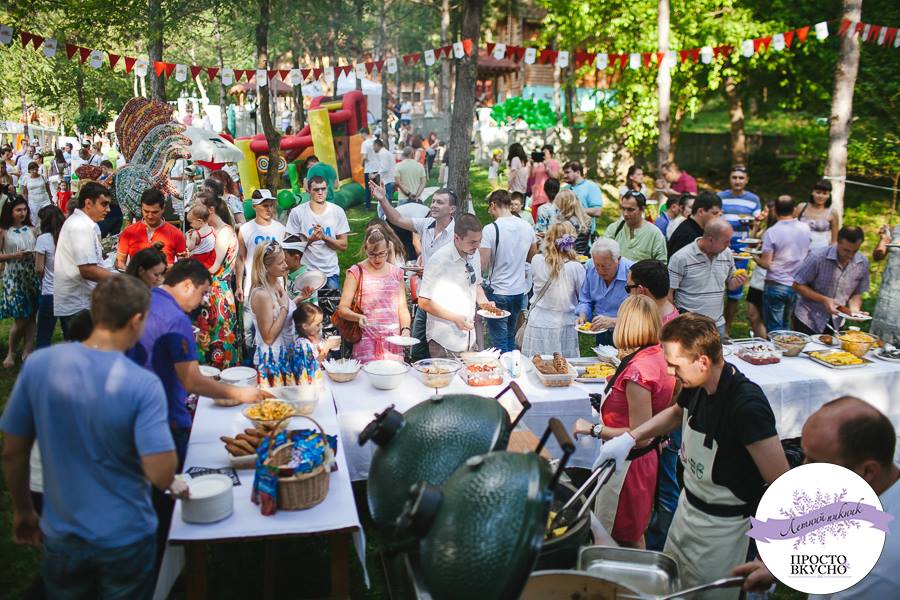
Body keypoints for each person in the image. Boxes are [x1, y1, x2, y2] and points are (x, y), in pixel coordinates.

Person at [0, 276, 185, 600]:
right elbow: (161, 473)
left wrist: (24, 510)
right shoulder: (141, 383)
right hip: (126, 535)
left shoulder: (39, 365)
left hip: (62, 532)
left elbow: (13, 452)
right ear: (136, 320)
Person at [596, 313, 789, 595]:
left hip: (721, 531)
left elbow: (783, 485)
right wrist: (630, 437)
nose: (670, 373)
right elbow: (676, 412)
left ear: (702, 362)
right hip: (686, 512)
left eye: (675, 366)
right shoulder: (695, 385)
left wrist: (771, 559)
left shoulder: (746, 407)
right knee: (672, 588)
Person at [732, 396, 900, 599]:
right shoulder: (868, 486)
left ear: (867, 471)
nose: (802, 470)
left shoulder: (878, 561)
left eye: (815, 463)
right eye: (805, 455)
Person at [127, 259, 269, 465]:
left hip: (137, 412)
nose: (203, 301)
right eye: (202, 293)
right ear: (186, 285)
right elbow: (192, 381)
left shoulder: (146, 299)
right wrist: (240, 393)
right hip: (166, 417)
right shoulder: (177, 319)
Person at [574, 295, 676, 548]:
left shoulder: (638, 371)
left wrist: (593, 428)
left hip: (629, 466)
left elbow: (638, 434)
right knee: (632, 531)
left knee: (621, 537)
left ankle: (628, 584)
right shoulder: (659, 355)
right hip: (643, 459)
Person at [373, 181, 458, 360]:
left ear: (452, 209)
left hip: (446, 301)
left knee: (441, 350)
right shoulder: (426, 224)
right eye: (433, 201)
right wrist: (383, 200)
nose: (433, 205)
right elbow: (397, 219)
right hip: (425, 298)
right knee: (417, 348)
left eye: (440, 202)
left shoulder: (456, 234)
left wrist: (429, 270)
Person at [418, 213, 497, 358]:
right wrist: (454, 318)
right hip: (444, 339)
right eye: (472, 242)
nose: (477, 246)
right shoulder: (439, 260)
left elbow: (475, 283)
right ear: (456, 238)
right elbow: (423, 301)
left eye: (479, 241)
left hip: (468, 338)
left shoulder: (475, 254)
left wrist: (485, 304)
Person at [336, 228, 411, 363]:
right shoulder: (356, 271)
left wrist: (405, 329)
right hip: (366, 340)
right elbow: (342, 309)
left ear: (388, 248)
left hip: (393, 341)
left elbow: (402, 308)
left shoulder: (396, 273)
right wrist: (358, 317)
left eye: (381, 254)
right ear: (366, 250)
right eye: (372, 254)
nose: (377, 259)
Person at [479, 190, 538, 352]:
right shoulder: (527, 226)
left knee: (498, 340)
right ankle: (512, 368)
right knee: (510, 336)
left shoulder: (490, 229)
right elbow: (532, 256)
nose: (490, 213)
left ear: (493, 205)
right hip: (519, 290)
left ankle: (505, 372)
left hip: (498, 290)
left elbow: (482, 264)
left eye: (489, 209)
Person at [53, 182, 113, 338]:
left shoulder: (85, 224)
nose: (108, 209)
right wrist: (125, 281)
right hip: (77, 305)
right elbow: (88, 270)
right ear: (88, 203)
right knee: (83, 358)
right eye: (104, 204)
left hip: (82, 302)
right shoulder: (80, 226)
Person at [668, 218, 746, 338]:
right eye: (726, 242)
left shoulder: (727, 254)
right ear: (710, 240)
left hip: (717, 325)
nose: (729, 245)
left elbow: (730, 284)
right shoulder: (681, 258)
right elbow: (669, 294)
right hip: (690, 327)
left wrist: (737, 282)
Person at [520, 222, 585, 357]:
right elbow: (583, 296)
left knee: (536, 367)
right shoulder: (575, 267)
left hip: (538, 321)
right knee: (563, 368)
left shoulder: (537, 260)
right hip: (564, 323)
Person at [792, 226, 870, 335]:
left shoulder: (863, 262)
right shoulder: (817, 257)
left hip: (837, 321)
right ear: (837, 243)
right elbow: (797, 285)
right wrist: (824, 299)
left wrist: (855, 311)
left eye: (855, 251)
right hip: (808, 318)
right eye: (846, 250)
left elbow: (856, 293)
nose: (850, 255)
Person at [192, 191, 240, 369]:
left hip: (218, 291)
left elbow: (214, 267)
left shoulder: (224, 232)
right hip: (210, 289)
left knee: (220, 337)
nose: (195, 209)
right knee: (208, 337)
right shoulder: (211, 231)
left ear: (210, 210)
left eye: (198, 206)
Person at [249, 242, 311, 371]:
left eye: (284, 260)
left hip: (285, 356)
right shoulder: (262, 294)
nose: (285, 265)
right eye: (280, 263)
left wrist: (298, 299)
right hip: (271, 362)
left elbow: (279, 307)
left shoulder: (278, 281)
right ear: (266, 267)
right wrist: (285, 309)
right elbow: (268, 337)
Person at [753, 195, 810, 332]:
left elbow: (767, 264)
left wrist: (754, 257)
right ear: (794, 209)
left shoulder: (772, 232)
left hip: (776, 285)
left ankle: (777, 353)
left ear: (776, 210)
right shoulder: (805, 228)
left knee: (774, 330)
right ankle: (788, 352)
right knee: (786, 327)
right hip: (797, 285)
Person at [286, 175, 350, 290]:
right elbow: (290, 249)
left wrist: (324, 237)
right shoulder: (297, 213)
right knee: (308, 308)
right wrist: (311, 240)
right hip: (306, 272)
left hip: (330, 273)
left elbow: (344, 245)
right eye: (316, 189)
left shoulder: (337, 211)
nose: (320, 192)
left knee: (331, 307)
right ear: (309, 191)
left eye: (323, 188)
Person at [0, 196, 41, 367]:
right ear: (11, 212)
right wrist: (14, 256)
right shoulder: (3, 231)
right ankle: (11, 352)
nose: (22, 213)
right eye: (18, 210)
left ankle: (28, 349)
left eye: (24, 210)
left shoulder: (32, 229)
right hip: (14, 278)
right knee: (20, 318)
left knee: (31, 316)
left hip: (31, 276)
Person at [575, 238, 634, 347]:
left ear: (618, 259)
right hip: (601, 331)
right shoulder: (590, 267)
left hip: (627, 332)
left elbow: (643, 314)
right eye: (597, 265)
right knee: (603, 363)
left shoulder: (633, 273)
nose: (601, 270)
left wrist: (614, 322)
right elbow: (585, 299)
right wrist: (583, 315)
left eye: (606, 266)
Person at [235, 189, 286, 303]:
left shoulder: (281, 229)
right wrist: (239, 285)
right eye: (264, 205)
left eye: (271, 206)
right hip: (253, 287)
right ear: (254, 206)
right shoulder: (245, 230)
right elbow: (240, 258)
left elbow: (284, 258)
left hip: (277, 287)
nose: (269, 209)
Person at [116, 189, 186, 269]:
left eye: (155, 212)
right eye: (146, 211)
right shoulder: (128, 232)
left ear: (163, 209)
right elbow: (120, 262)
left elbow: (183, 265)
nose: (150, 216)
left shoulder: (176, 234)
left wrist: (169, 269)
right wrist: (133, 273)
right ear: (141, 208)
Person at [34, 205, 65, 349]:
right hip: (68, 291)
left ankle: (41, 368)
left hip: (49, 291)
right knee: (71, 334)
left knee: (43, 336)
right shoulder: (67, 237)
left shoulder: (43, 239)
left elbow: (39, 268)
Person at [605, 190, 667, 263]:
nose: (625, 213)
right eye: (623, 209)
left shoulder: (655, 234)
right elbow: (603, 254)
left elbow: (661, 265)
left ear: (643, 209)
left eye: (630, 210)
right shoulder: (614, 228)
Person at [745, 200, 777, 338]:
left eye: (766, 211)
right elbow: (752, 245)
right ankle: (761, 343)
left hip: (767, 277)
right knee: (752, 314)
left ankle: (766, 344)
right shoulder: (765, 229)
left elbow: (763, 256)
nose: (762, 214)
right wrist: (756, 226)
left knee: (763, 316)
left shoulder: (775, 232)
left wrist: (754, 257)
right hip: (757, 277)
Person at [667, 191, 723, 258]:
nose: (718, 218)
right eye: (714, 213)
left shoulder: (699, 228)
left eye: (719, 214)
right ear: (701, 212)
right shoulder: (686, 234)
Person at [627, 259, 679, 325]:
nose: (628, 294)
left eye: (628, 288)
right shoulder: (672, 320)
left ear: (640, 291)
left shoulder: (653, 330)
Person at [871, 224, 899, 344]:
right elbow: (878, 256)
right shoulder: (896, 229)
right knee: (880, 335)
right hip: (889, 290)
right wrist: (883, 239)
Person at [545, 188, 592, 255]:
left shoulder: (566, 224)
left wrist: (549, 236)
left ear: (563, 206)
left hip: (569, 258)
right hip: (583, 257)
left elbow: (560, 247)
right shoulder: (585, 220)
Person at [563, 160, 603, 234]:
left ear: (578, 173)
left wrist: (575, 211)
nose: (564, 176)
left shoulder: (591, 186)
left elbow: (597, 211)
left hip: (584, 236)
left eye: (567, 172)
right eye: (564, 172)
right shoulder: (564, 189)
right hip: (565, 235)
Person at [795, 179, 838, 249]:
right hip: (798, 250)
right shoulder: (801, 207)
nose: (820, 196)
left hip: (821, 253)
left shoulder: (833, 213)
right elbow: (790, 228)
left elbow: (834, 241)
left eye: (824, 193)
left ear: (829, 195)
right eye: (818, 192)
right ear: (812, 193)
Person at [528, 144, 560, 221]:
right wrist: (532, 164)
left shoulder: (554, 162)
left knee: (546, 220)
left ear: (551, 153)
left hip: (547, 196)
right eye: (542, 152)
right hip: (537, 196)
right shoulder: (539, 164)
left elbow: (555, 177)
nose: (543, 153)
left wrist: (547, 167)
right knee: (535, 220)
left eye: (545, 151)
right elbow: (531, 176)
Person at [185, 203, 217, 270]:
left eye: (191, 222)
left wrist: (187, 236)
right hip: (210, 258)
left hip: (197, 260)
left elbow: (190, 247)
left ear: (199, 221)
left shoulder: (196, 234)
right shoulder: (212, 228)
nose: (190, 225)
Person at [371, 139, 396, 207]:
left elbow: (385, 168)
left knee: (385, 205)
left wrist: (374, 175)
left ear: (377, 145)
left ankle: (385, 217)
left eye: (373, 146)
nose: (373, 148)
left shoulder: (383, 154)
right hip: (390, 180)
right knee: (387, 204)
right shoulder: (386, 152)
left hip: (387, 181)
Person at [360, 127, 378, 209]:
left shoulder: (365, 143)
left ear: (364, 133)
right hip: (377, 168)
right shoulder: (375, 141)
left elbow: (364, 157)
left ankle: (368, 206)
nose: (361, 136)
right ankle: (380, 205)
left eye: (361, 134)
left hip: (369, 169)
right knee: (377, 187)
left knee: (368, 188)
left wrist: (362, 164)